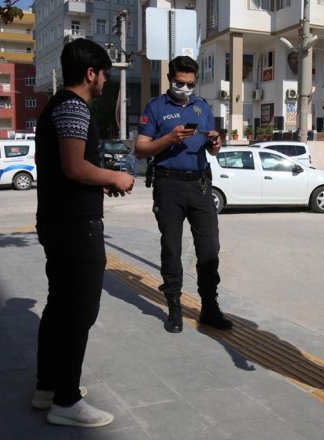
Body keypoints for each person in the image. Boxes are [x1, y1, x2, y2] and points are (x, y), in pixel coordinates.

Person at [34, 39, 134, 428]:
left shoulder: (55, 107)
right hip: (75, 226)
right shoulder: (74, 108)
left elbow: (65, 169)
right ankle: (66, 400)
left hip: (58, 220)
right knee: (79, 312)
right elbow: (75, 166)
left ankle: (48, 387)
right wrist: (115, 176)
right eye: (105, 72)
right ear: (91, 73)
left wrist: (99, 183)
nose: (106, 81)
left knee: (58, 307)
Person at [135, 56, 232, 334]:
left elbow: (214, 151)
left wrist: (215, 143)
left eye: (190, 83)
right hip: (169, 185)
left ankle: (210, 307)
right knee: (172, 249)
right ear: (169, 78)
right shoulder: (155, 107)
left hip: (200, 185)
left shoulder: (202, 107)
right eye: (180, 83)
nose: (185, 88)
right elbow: (140, 149)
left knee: (210, 249)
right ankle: (174, 307)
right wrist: (168, 139)